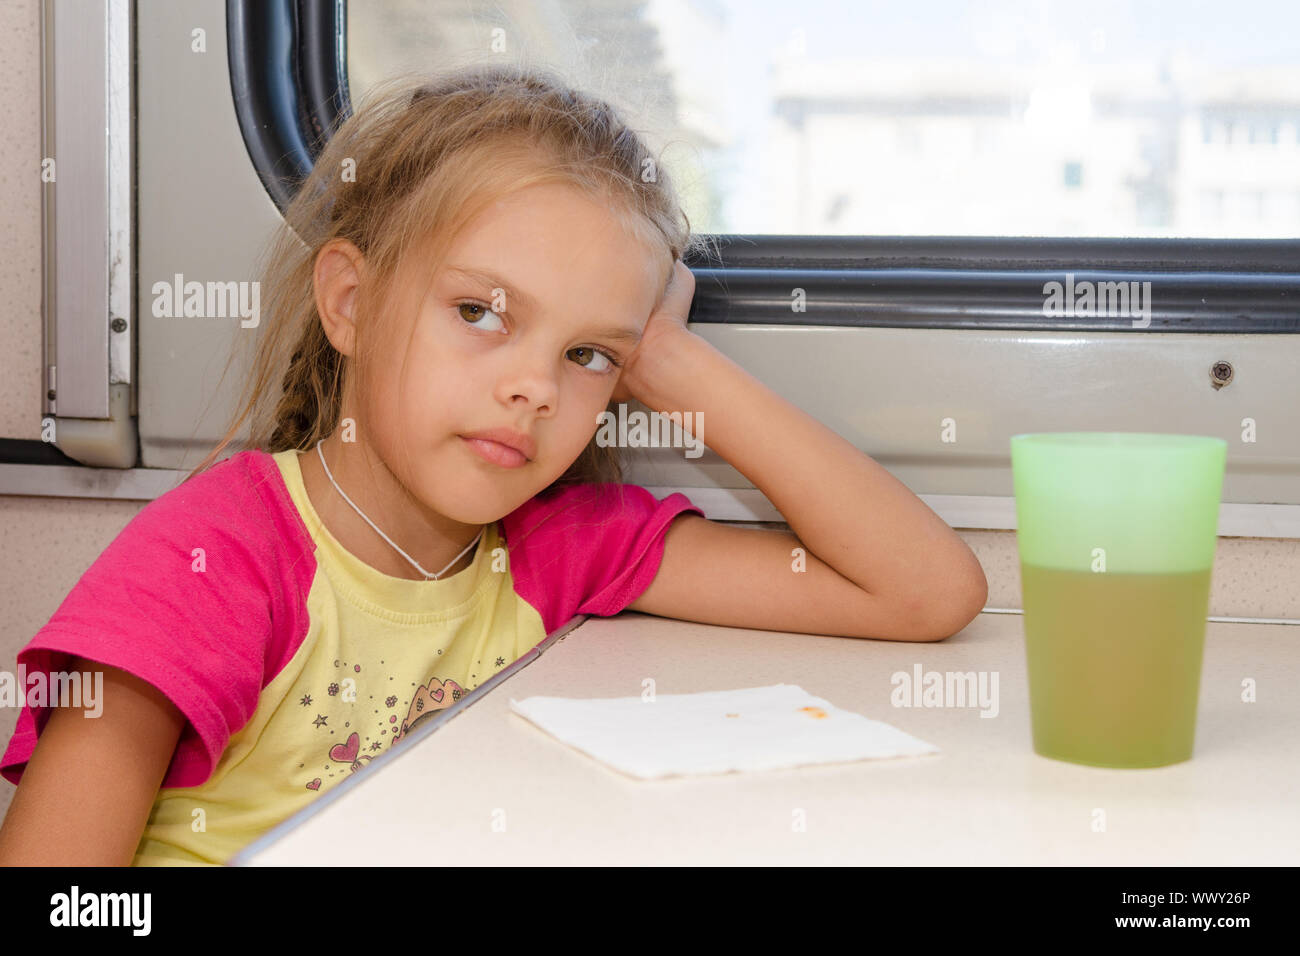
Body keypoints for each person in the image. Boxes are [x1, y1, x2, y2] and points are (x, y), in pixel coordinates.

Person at [0, 65, 987, 866]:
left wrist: (673, 360)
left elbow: (921, 590)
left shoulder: (558, 547)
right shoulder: (214, 563)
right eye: (480, 312)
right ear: (347, 301)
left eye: (587, 353)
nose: (535, 388)